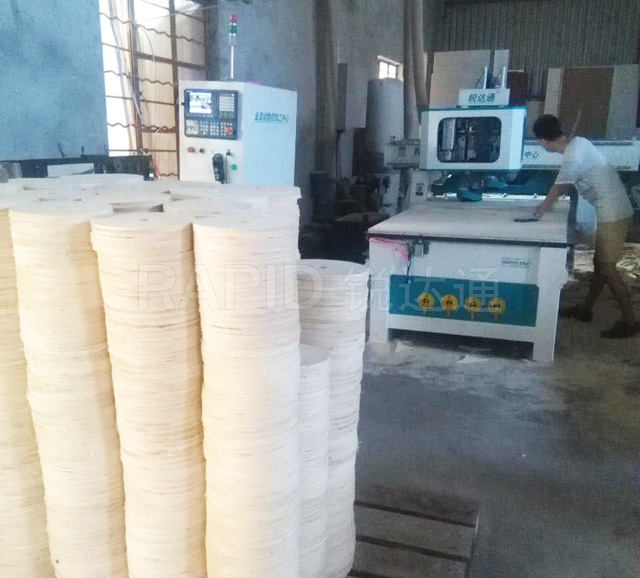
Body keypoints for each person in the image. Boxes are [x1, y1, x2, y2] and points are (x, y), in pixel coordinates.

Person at [516, 114, 638, 339]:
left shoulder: (572, 156)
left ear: (542, 142)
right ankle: (586, 309)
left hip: (613, 213)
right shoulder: (580, 143)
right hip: (614, 208)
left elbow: (558, 189)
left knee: (607, 267)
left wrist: (537, 213)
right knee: (600, 264)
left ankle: (629, 321)